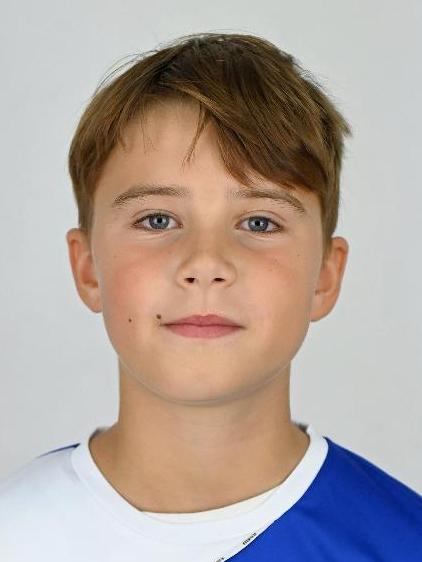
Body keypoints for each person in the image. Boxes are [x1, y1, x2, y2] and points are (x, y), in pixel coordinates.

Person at [0, 32, 421, 562]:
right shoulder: (14, 534)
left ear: (324, 276)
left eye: (259, 222)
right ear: (87, 268)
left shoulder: (403, 543)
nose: (206, 263)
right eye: (158, 220)